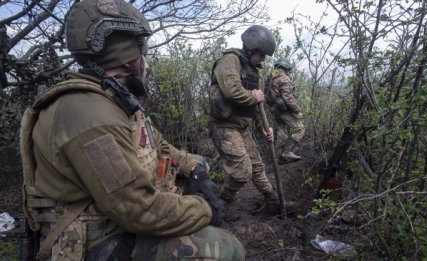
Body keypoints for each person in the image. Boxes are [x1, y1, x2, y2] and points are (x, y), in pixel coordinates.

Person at [19, 0, 244, 260]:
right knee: (228, 248)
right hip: (96, 241)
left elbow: (157, 144)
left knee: (197, 162)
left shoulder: (112, 98)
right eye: (143, 56)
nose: (146, 64)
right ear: (128, 62)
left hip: (113, 218)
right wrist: (204, 209)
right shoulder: (91, 115)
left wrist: (191, 167)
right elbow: (136, 209)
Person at [208, 25, 282, 221]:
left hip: (242, 127)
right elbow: (232, 90)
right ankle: (222, 203)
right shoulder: (229, 60)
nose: (263, 59)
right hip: (224, 126)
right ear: (251, 49)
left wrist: (266, 129)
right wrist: (253, 95)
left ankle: (272, 199)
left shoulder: (252, 71)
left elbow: (256, 107)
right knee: (242, 170)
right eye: (261, 54)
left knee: (257, 165)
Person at [268, 59, 305, 164]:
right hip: (283, 110)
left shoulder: (271, 78)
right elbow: (288, 97)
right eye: (289, 70)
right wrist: (297, 111)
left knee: (281, 132)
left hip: (274, 110)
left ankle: (278, 158)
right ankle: (287, 152)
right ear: (286, 69)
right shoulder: (284, 79)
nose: (289, 72)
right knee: (300, 129)